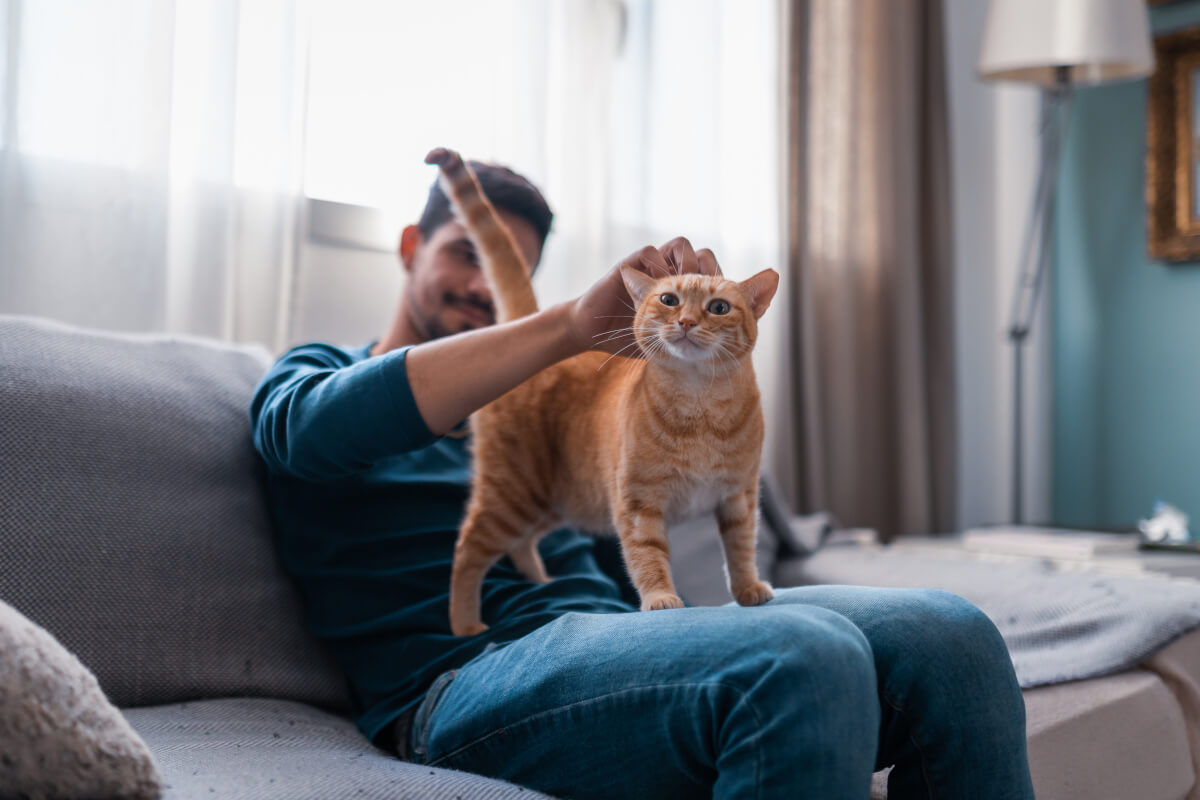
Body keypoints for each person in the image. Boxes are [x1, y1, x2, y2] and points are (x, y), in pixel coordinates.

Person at [249, 162, 1035, 800]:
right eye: (470, 253)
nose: (488, 286)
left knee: (952, 635)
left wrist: (682, 342)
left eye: (514, 271)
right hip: (460, 684)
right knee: (799, 654)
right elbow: (311, 435)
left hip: (620, 637)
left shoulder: (551, 398)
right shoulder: (317, 372)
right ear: (411, 245)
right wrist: (558, 330)